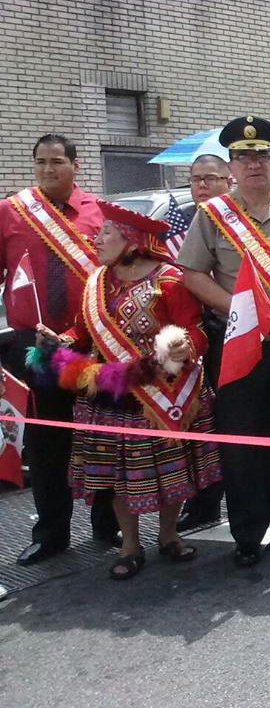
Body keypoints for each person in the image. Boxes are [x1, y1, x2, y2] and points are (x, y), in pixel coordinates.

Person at [30, 201, 222, 579]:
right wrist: (60, 340)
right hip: (115, 396)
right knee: (120, 476)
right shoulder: (97, 283)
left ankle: (168, 536)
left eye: (105, 233)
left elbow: (195, 330)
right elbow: (82, 332)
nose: (95, 238)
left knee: (173, 471)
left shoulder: (169, 279)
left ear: (131, 239)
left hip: (164, 392)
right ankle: (130, 545)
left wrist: (183, 344)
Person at [177, 116, 270, 568]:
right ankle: (248, 533)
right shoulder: (212, 216)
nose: (253, 164)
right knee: (241, 442)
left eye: (261, 157)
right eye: (243, 157)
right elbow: (192, 273)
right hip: (237, 346)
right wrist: (234, 309)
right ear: (231, 168)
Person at [0, 134, 119, 566]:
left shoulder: (99, 212)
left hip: (93, 343)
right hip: (35, 347)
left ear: (76, 164)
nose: (48, 170)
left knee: (104, 436)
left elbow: (117, 275)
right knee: (48, 443)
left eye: (56, 162)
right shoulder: (11, 212)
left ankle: (109, 523)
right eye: (40, 163)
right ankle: (51, 534)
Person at [176, 153, 233, 531]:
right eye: (196, 179)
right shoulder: (174, 223)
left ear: (227, 181)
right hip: (181, 342)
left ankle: (216, 498)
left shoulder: (230, 219)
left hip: (221, 332)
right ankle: (199, 500)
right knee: (194, 425)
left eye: (210, 179)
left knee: (223, 422)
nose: (201, 186)